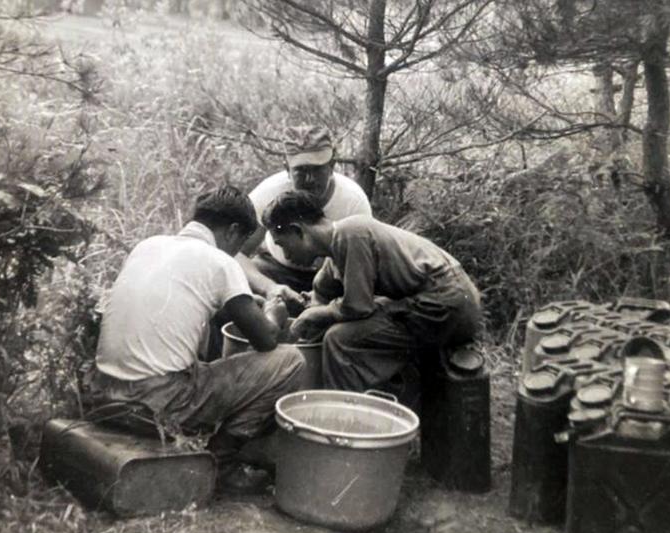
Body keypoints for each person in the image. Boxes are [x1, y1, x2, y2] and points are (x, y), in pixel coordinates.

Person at [88, 185, 305, 492]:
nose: (236, 254)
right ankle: (223, 464)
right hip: (155, 405)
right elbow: (267, 340)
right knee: (290, 361)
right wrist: (273, 310)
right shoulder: (220, 262)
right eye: (241, 243)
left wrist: (241, 305)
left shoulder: (148, 245)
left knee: (193, 350)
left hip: (102, 396)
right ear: (232, 231)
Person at [262, 191, 482, 392]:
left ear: (297, 230)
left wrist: (316, 314)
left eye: (283, 244)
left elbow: (358, 307)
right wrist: (303, 305)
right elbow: (322, 293)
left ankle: (344, 422)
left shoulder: (352, 233)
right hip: (439, 301)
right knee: (331, 328)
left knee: (340, 340)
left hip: (448, 302)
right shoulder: (336, 249)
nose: (286, 256)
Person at [236, 125, 372, 308]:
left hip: (333, 278)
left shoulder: (353, 201)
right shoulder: (269, 192)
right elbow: (236, 252)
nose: (309, 179)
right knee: (237, 293)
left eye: (317, 169)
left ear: (332, 166)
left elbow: (360, 266)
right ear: (287, 169)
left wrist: (324, 296)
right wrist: (269, 288)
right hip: (276, 270)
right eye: (301, 171)